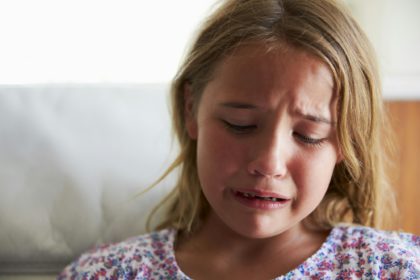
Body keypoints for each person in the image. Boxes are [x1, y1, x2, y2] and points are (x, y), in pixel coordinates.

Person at [59, 0, 419, 279]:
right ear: (190, 109)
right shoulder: (109, 272)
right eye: (240, 124)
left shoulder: (393, 268)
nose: (268, 163)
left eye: (308, 136)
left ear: (345, 141)